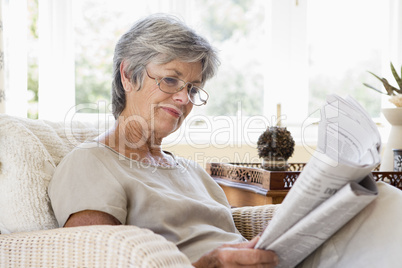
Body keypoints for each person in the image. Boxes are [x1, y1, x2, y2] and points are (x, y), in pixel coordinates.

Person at [48, 14, 279, 267]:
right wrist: (208, 265)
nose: (184, 99)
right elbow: (95, 259)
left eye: (192, 88)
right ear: (127, 75)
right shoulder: (91, 163)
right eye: (170, 80)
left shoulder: (194, 172)